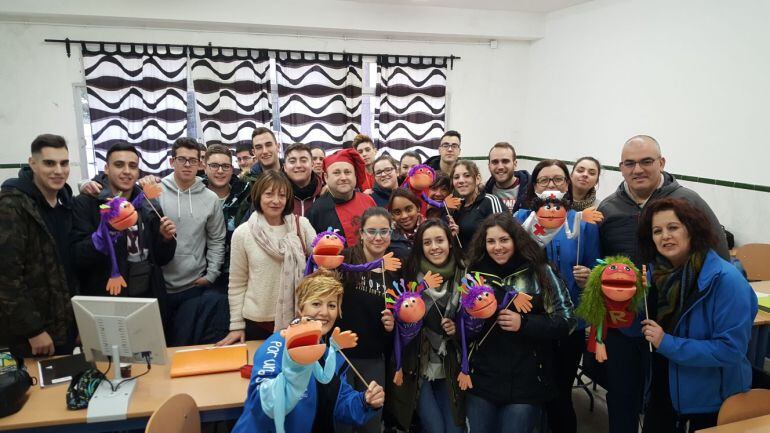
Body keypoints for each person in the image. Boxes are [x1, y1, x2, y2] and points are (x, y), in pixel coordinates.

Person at [596, 134, 729, 433]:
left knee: (663, 401)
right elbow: (599, 266)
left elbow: (719, 256)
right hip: (623, 323)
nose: (638, 170)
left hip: (674, 323)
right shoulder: (608, 208)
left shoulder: (688, 201)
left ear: (661, 163)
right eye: (630, 163)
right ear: (620, 167)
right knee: (621, 397)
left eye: (646, 162)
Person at [638, 198, 757, 433]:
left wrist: (667, 342)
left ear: (692, 229)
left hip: (708, 403)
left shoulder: (726, 280)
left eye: (673, 227)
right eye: (657, 231)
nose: (665, 236)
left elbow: (730, 350)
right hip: (664, 390)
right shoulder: (659, 274)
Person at [232, 270, 385, 433]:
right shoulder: (279, 343)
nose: (325, 312)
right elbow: (261, 406)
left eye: (332, 305)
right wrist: (295, 368)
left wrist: (365, 401)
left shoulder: (329, 356)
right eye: (316, 304)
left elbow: (340, 403)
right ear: (300, 308)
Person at [466, 213, 575, 433]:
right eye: (491, 241)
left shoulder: (540, 271)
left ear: (516, 239)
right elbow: (463, 326)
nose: (498, 247)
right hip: (483, 379)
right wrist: (468, 321)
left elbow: (567, 321)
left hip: (528, 381)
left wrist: (524, 323)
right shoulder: (473, 274)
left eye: (504, 240)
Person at [515, 159, 601, 433]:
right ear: (534, 186)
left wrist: (589, 275)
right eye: (544, 180)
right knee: (532, 386)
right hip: (530, 318)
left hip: (569, 322)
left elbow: (597, 269)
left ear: (567, 184)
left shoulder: (583, 223)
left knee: (560, 391)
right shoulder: (520, 220)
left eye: (558, 180)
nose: (551, 185)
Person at [0, 134, 76, 356]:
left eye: (64, 163)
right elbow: (6, 278)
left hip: (65, 326)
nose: (59, 171)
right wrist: (33, 330)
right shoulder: (12, 205)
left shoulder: (65, 202)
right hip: (34, 335)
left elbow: (67, 267)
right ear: (33, 164)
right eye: (49, 163)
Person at [219, 170, 315, 344]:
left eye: (282, 195)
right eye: (269, 194)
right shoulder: (243, 233)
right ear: (258, 196)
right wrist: (236, 325)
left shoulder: (301, 225)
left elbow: (320, 266)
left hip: (300, 319)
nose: (276, 201)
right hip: (257, 323)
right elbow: (237, 283)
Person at [71, 143, 176, 301]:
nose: (127, 171)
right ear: (106, 168)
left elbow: (161, 259)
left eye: (132, 166)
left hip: (147, 295)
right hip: (105, 296)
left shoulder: (148, 203)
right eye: (119, 165)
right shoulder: (86, 203)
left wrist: (166, 238)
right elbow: (77, 258)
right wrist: (108, 231)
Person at [389, 219, 466, 433]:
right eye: (427, 242)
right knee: (435, 428)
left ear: (450, 242)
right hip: (417, 365)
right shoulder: (410, 277)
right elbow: (398, 324)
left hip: (451, 365)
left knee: (455, 429)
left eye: (440, 240)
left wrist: (457, 331)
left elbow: (476, 324)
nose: (434, 247)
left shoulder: (465, 274)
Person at [154, 137, 227, 346]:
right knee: (161, 347)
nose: (187, 165)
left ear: (200, 164)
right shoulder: (155, 192)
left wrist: (212, 274)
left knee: (185, 345)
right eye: (182, 159)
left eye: (193, 161)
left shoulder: (210, 198)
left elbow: (217, 239)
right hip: (160, 286)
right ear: (171, 162)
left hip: (193, 286)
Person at [337, 207, 401, 433]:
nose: (378, 237)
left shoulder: (394, 271)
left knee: (371, 425)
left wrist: (392, 325)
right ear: (361, 234)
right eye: (371, 231)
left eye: (384, 231)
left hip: (373, 358)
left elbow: (399, 322)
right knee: (342, 424)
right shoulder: (344, 259)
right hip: (340, 358)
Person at [202, 144, 251, 291]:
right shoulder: (194, 193)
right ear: (205, 167)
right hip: (201, 272)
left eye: (225, 166)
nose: (220, 171)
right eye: (214, 165)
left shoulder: (246, 193)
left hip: (238, 271)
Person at [308, 148, 377, 248]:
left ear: (355, 176)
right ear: (326, 177)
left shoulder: (368, 201)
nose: (343, 177)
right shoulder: (316, 211)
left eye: (347, 172)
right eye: (336, 173)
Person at [450, 160, 508, 249]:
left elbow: (504, 236)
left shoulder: (490, 201)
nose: (461, 181)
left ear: (477, 179)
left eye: (467, 175)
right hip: (466, 261)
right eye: (456, 177)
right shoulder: (458, 207)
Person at [485, 142, 530, 213]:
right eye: (495, 162)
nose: (500, 167)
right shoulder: (483, 194)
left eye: (505, 161)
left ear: (515, 164)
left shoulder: (532, 191)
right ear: (489, 166)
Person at [283, 143, 324, 218]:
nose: (298, 165)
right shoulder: (276, 195)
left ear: (312, 164)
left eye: (303, 160)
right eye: (292, 161)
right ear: (285, 167)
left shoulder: (325, 193)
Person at [387, 188, 424, 259]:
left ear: (418, 207)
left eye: (409, 209)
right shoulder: (388, 238)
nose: (404, 216)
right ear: (392, 215)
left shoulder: (432, 230)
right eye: (397, 212)